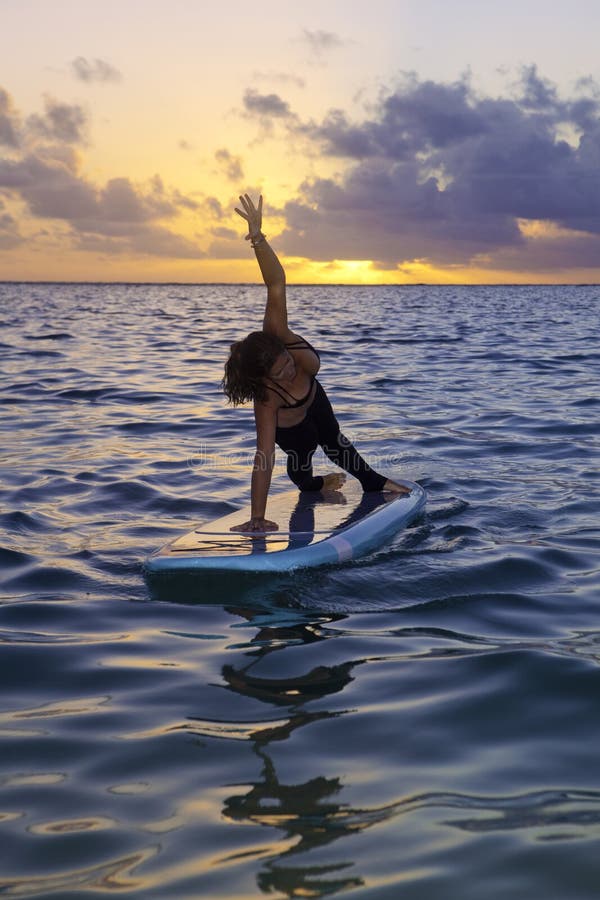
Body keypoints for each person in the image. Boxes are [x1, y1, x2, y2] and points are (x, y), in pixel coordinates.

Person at [222, 194, 409, 533]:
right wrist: (257, 517)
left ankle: (373, 482)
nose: (290, 369)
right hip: (293, 432)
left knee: (335, 440)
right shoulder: (267, 399)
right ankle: (313, 485)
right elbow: (263, 458)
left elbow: (276, 282)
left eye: (286, 362)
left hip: (315, 399)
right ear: (266, 379)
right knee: (300, 467)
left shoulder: (278, 333)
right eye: (280, 373)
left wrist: (258, 239)